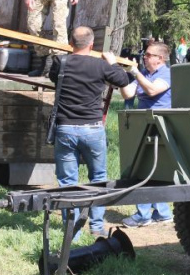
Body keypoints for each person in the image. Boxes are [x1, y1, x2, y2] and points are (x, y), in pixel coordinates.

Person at [49, 26, 130, 237]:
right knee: (98, 178)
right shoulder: (101, 66)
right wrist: (112, 61)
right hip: (93, 129)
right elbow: (123, 80)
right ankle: (96, 227)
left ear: (70, 42)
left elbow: (53, 79)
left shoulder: (60, 62)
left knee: (67, 183)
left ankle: (72, 233)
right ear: (92, 45)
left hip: (65, 128)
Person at [119, 42, 173, 228]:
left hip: (159, 126)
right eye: (145, 54)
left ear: (160, 59)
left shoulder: (166, 74)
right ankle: (162, 212)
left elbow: (151, 90)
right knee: (151, 169)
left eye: (149, 55)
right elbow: (127, 94)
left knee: (144, 169)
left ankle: (143, 215)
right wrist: (121, 75)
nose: (145, 57)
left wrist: (135, 72)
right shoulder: (146, 74)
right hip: (144, 125)